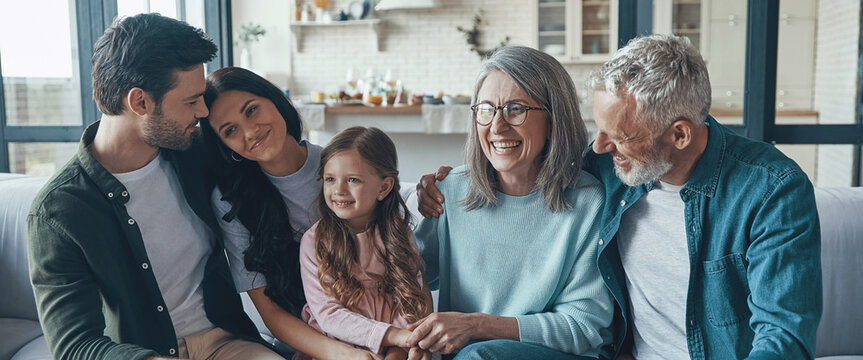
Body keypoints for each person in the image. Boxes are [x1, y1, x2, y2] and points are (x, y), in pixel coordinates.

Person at [419, 34, 823, 359]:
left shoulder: (771, 190)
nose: (597, 147)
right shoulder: (609, 172)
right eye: (599, 127)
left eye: (619, 135)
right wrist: (428, 193)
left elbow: (783, 338)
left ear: (679, 134)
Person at [27, 14, 281, 360]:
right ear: (140, 103)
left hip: (228, 343)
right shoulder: (58, 212)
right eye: (191, 101)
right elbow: (74, 345)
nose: (204, 112)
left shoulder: (196, 153)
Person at [408, 46, 614, 360]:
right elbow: (409, 273)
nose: (497, 126)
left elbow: (585, 328)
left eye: (515, 109)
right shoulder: (449, 191)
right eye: (486, 109)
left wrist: (478, 325)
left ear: (553, 118)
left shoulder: (588, 202)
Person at [201, 67, 385, 359]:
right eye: (230, 130)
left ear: (275, 100)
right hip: (309, 347)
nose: (250, 132)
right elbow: (270, 313)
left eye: (251, 110)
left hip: (381, 330)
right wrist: (342, 354)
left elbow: (399, 261)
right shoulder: (231, 203)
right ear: (224, 145)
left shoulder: (340, 164)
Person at [299, 126, 433, 360]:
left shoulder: (399, 235)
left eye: (352, 180)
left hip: (397, 347)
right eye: (330, 179)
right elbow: (328, 315)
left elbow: (411, 299)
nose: (338, 190)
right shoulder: (315, 241)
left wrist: (397, 351)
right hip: (338, 349)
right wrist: (392, 335)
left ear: (383, 187)